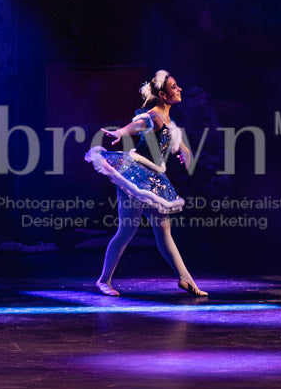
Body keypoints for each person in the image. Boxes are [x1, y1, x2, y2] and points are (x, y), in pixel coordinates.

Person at [85, 70, 207, 297]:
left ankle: (186, 279)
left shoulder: (170, 123)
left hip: (154, 177)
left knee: (163, 232)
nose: (179, 89)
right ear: (163, 95)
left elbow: (180, 146)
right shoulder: (154, 115)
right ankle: (104, 280)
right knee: (127, 230)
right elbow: (139, 124)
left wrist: (186, 154)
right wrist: (122, 132)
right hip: (135, 173)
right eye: (174, 87)